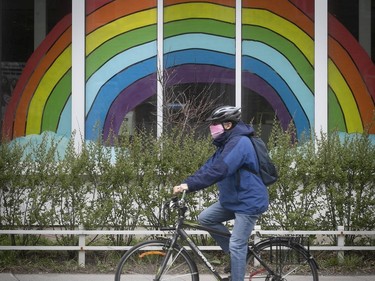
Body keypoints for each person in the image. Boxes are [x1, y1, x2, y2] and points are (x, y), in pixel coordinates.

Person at [173, 105, 269, 281]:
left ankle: (237, 263)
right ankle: (239, 254)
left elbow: (220, 170)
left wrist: (191, 186)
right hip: (233, 199)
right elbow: (209, 167)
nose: (212, 128)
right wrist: (186, 183)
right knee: (206, 218)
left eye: (215, 124)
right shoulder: (226, 143)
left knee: (236, 244)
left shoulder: (240, 142)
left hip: (248, 201)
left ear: (228, 125)